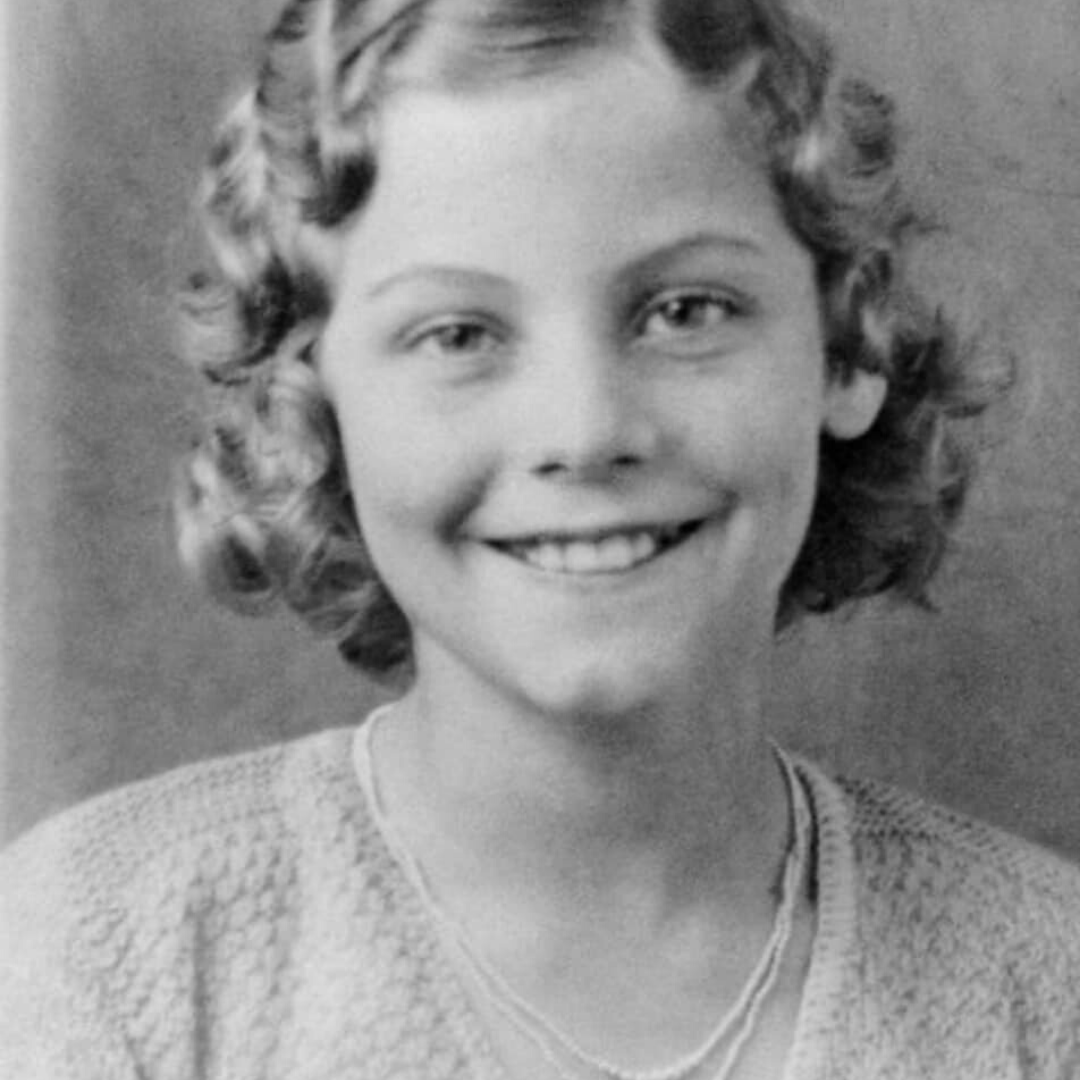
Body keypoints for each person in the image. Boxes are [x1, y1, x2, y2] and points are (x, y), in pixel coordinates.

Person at [2, 0, 1079, 1076]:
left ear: (848, 346)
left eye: (687, 311)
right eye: (458, 334)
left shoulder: (1040, 983)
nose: (585, 431)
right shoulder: (100, 958)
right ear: (312, 393)